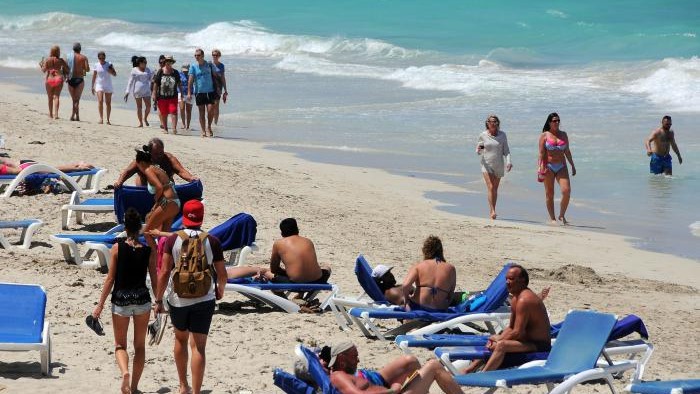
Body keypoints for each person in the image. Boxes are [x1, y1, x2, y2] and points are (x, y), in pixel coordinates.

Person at [153, 199, 227, 394]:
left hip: (178, 299)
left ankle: (183, 386)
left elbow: (164, 272)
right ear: (201, 217)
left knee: (180, 340)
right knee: (199, 348)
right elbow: (222, 275)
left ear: (184, 217)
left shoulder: (172, 240)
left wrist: (158, 300)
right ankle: (196, 391)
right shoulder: (212, 240)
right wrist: (220, 290)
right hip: (205, 298)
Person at [91, 208, 156, 394]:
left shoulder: (117, 248)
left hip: (121, 300)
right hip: (142, 300)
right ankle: (134, 387)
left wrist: (100, 305)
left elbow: (110, 279)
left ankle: (125, 372)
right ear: (139, 228)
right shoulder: (147, 251)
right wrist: (158, 301)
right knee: (140, 346)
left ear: (125, 227)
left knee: (120, 345)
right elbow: (154, 276)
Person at [461, 264, 551, 373]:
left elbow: (517, 332)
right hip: (525, 341)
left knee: (501, 345)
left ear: (522, 280)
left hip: (538, 345)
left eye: (511, 279)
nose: (507, 282)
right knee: (494, 339)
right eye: (506, 279)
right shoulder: (515, 299)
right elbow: (511, 328)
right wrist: (496, 337)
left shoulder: (524, 300)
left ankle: (484, 374)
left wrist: (500, 340)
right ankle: (470, 369)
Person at [327, 342, 464, 394]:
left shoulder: (344, 374)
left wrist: (393, 387)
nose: (358, 360)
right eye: (354, 357)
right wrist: (392, 390)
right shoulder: (337, 376)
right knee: (433, 366)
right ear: (342, 360)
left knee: (410, 361)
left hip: (384, 385)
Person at [226, 218, 331, 284]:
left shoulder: (279, 243)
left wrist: (285, 272)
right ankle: (300, 296)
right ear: (297, 230)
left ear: (282, 233)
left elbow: (274, 269)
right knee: (327, 267)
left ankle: (285, 299)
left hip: (294, 282)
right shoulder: (308, 241)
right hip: (318, 279)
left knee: (265, 271)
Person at [134, 146, 181, 257]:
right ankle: (164, 258)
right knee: (163, 236)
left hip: (167, 202)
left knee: (147, 232)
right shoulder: (157, 168)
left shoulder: (149, 170)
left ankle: (154, 258)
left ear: (140, 162)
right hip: (175, 202)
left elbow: (159, 187)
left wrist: (155, 204)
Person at [538, 112, 576, 225]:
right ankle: (553, 218)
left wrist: (572, 165)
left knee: (566, 191)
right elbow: (541, 153)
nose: (557, 122)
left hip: (561, 166)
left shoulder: (563, 135)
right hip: (548, 166)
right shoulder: (544, 135)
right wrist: (540, 168)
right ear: (549, 122)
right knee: (549, 194)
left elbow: (567, 151)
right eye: (554, 121)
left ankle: (562, 215)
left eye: (558, 120)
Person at [113, 138, 196, 187]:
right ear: (149, 152)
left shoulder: (169, 158)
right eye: (156, 154)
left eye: (161, 152)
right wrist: (119, 182)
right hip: (144, 189)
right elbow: (127, 172)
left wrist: (191, 178)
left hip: (166, 189)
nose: (160, 155)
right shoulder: (142, 161)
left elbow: (181, 171)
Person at [402, 236, 456, 311]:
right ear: (441, 251)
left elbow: (405, 286)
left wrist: (406, 301)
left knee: (402, 300)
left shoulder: (419, 266)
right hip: (440, 310)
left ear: (425, 250)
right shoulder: (451, 269)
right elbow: (450, 295)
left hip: (419, 306)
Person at [476, 114, 512, 220]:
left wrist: (509, 162)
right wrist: (478, 150)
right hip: (486, 164)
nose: (493, 123)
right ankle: (492, 211)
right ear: (487, 123)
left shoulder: (502, 135)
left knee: (495, 189)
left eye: (495, 122)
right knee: (491, 187)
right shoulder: (483, 135)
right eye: (491, 121)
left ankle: (493, 209)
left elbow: (506, 150)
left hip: (499, 165)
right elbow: (480, 150)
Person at [187, 48, 218, 137]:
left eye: (198, 55)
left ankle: (209, 126)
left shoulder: (209, 65)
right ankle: (203, 130)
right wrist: (189, 92)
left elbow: (215, 76)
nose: (197, 57)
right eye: (195, 55)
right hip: (199, 92)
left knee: (210, 110)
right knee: (201, 112)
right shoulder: (193, 66)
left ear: (203, 56)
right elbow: (190, 81)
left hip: (210, 91)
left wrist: (220, 88)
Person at [153, 55, 182, 134]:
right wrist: (154, 94)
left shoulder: (175, 72)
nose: (168, 63)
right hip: (162, 97)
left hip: (173, 96)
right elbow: (156, 84)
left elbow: (179, 83)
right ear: (165, 62)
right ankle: (165, 129)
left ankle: (174, 128)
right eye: (167, 61)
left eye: (170, 61)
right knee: (164, 113)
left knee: (174, 112)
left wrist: (181, 93)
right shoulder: (160, 71)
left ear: (172, 62)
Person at [40, 45, 69, 119]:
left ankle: (50, 114)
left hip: (49, 79)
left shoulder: (47, 60)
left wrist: (41, 65)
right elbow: (68, 69)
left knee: (50, 98)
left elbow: (43, 70)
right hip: (58, 78)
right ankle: (56, 114)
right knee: (56, 97)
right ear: (58, 52)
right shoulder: (61, 60)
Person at [124, 56, 153, 127]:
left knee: (148, 106)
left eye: (146, 62)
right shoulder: (134, 70)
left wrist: (153, 76)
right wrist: (127, 91)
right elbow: (130, 81)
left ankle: (145, 118)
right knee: (139, 107)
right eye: (144, 62)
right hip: (137, 91)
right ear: (139, 63)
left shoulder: (148, 69)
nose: (145, 64)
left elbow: (150, 79)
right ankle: (141, 123)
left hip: (146, 91)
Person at [92, 51, 117, 125]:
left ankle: (108, 119)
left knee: (108, 103)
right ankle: (101, 118)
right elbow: (94, 76)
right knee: (100, 101)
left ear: (105, 58)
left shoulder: (109, 64)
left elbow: (115, 74)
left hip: (108, 85)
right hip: (99, 85)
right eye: (100, 58)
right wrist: (92, 86)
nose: (101, 60)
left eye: (103, 58)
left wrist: (110, 71)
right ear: (98, 58)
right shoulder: (96, 65)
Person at [66, 42, 89, 121]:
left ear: (73, 49)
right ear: (80, 49)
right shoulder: (84, 57)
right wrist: (82, 69)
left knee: (74, 99)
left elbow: (65, 68)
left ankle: (76, 116)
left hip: (70, 79)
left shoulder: (68, 57)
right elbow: (87, 69)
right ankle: (74, 116)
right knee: (77, 99)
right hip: (79, 79)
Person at [0, 158, 93, 175]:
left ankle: (78, 167)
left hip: (25, 168)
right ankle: (78, 164)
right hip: (23, 164)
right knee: (54, 168)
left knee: (53, 169)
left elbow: (17, 171)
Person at [210, 49, 228, 126]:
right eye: (213, 55)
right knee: (210, 106)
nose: (215, 56)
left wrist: (225, 90)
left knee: (216, 106)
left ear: (219, 56)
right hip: (209, 87)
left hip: (218, 87)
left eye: (216, 55)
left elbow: (223, 78)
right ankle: (210, 123)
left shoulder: (221, 65)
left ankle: (215, 123)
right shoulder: (209, 64)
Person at [178, 64, 193, 130]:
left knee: (189, 110)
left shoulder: (191, 74)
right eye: (184, 70)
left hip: (190, 93)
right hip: (181, 93)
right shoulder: (179, 74)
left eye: (186, 70)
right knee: (182, 108)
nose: (185, 72)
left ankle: (188, 125)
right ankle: (183, 124)